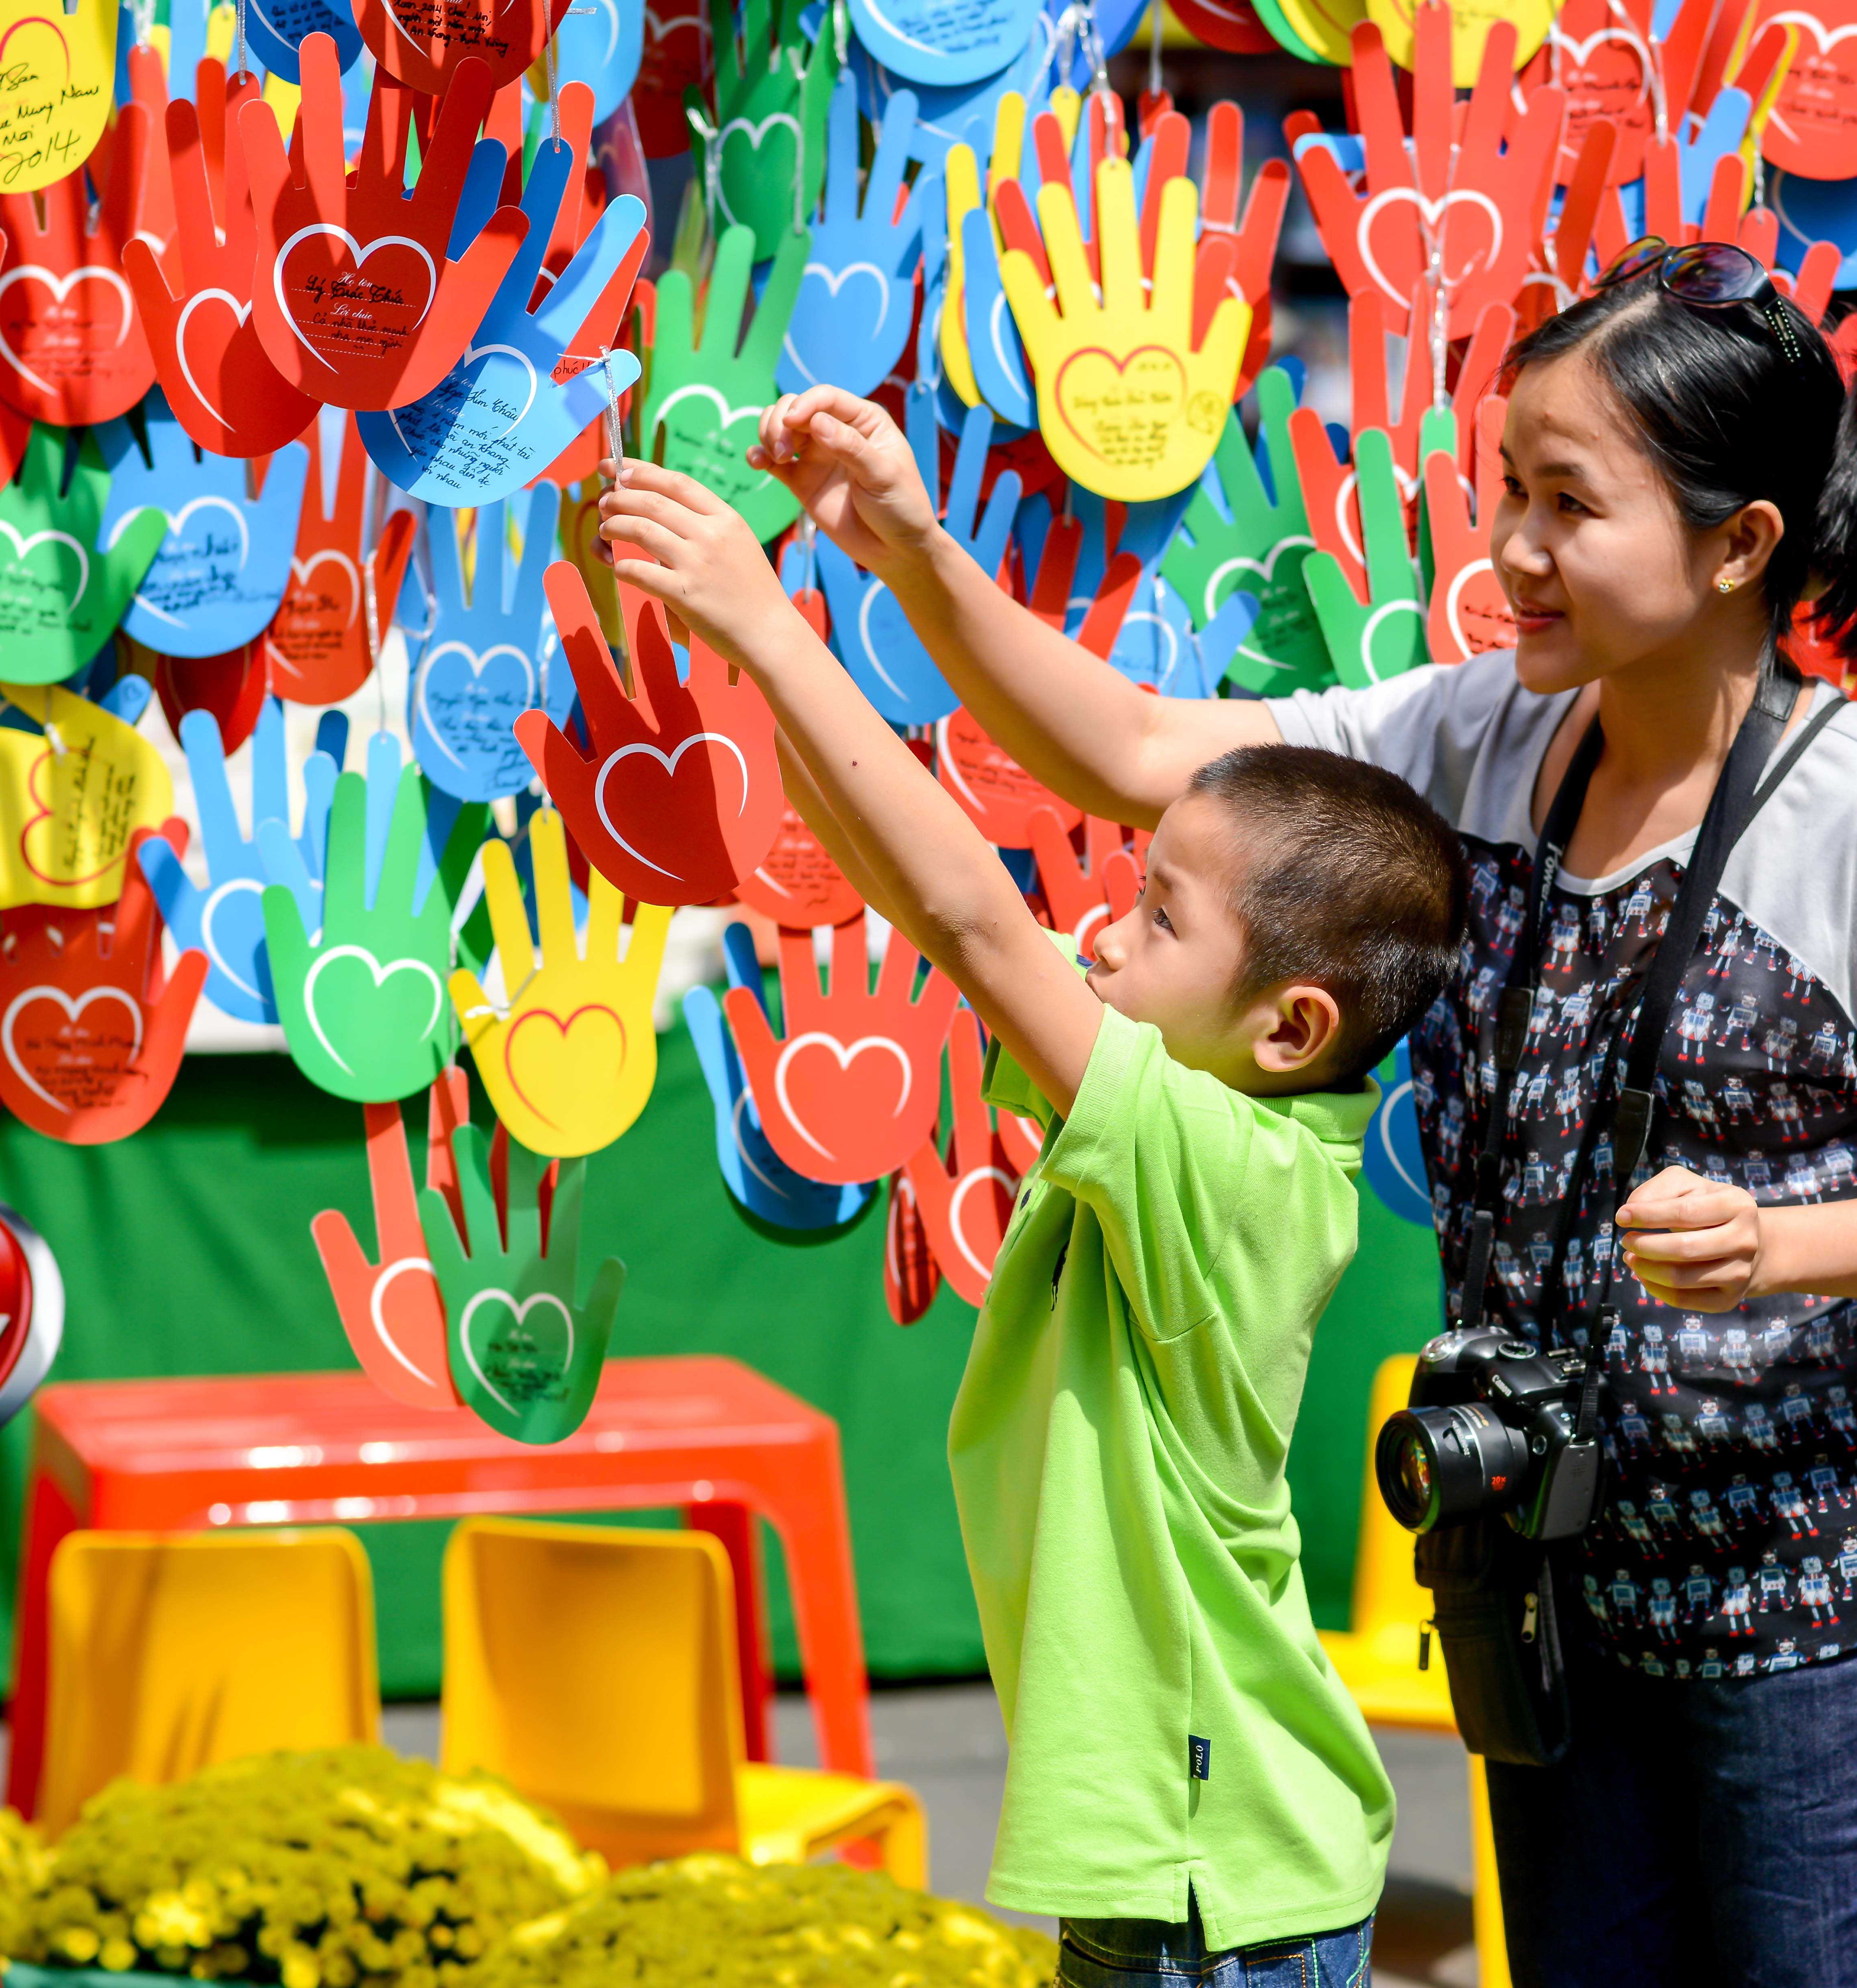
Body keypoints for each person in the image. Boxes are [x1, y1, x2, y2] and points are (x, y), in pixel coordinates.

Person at [733, 234, 1857, 1987]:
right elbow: (1142, 753)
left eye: (1569, 504)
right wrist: (909, 546)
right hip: (1550, 1594)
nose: (1513, 552)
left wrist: (1781, 1245)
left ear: (1739, 541)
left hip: (1812, 1624)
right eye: (1506, 489)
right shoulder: (1481, 734)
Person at [597, 457, 1472, 1986]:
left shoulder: (1234, 1169)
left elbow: (977, 923)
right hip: (1180, 1861)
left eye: (1158, 919)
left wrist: (775, 634)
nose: (1102, 934)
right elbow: (917, 903)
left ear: (1288, 1026)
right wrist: (763, 672)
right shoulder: (1200, 1125)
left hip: (1221, 1882)